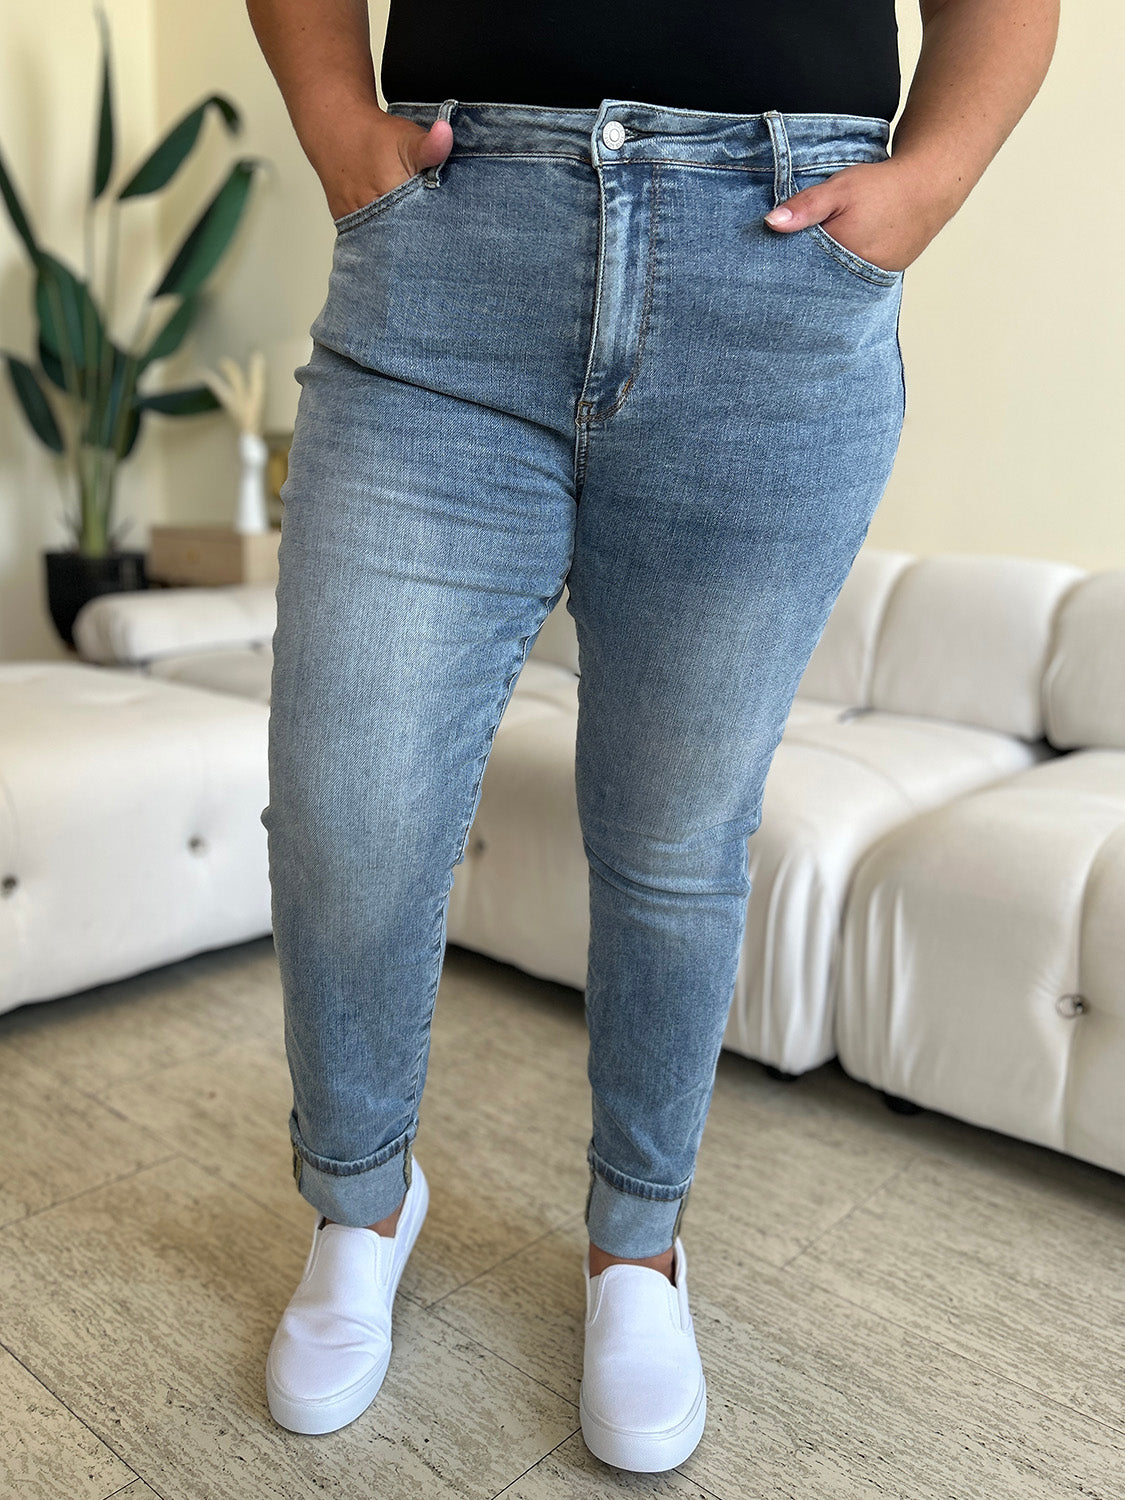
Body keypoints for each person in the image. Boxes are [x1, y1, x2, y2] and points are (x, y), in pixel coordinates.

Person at [246, 0, 1058, 1472]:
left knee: (673, 837)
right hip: (450, 243)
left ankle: (638, 1251)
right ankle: (359, 1201)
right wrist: (327, 118)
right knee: (342, 804)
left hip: (772, 264)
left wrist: (921, 184)